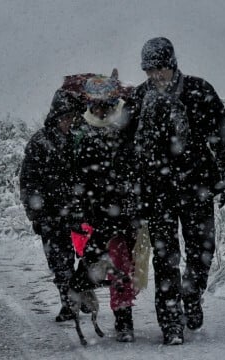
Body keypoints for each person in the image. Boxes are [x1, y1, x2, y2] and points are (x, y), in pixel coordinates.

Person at [127, 37, 225, 345]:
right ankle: (171, 323)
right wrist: (129, 191)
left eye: (160, 69)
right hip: (156, 192)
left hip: (197, 188)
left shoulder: (198, 91)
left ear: (173, 64)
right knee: (165, 260)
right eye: (149, 70)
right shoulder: (139, 99)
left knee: (202, 253)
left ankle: (192, 294)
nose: (155, 76)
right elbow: (123, 150)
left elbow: (224, 134)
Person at [68, 72, 138, 342]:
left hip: (124, 211)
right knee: (106, 263)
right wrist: (79, 208)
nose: (99, 110)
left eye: (104, 105)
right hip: (100, 213)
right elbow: (79, 177)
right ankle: (116, 315)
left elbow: (135, 169)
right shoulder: (84, 136)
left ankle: (121, 318)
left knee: (120, 265)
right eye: (95, 105)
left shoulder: (125, 132)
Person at [19, 89, 85, 322]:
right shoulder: (39, 142)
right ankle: (69, 302)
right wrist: (35, 212)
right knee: (59, 260)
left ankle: (81, 291)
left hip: (79, 210)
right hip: (50, 213)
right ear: (56, 116)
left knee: (87, 256)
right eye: (64, 117)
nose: (68, 122)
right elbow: (28, 180)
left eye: (71, 117)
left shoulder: (80, 139)